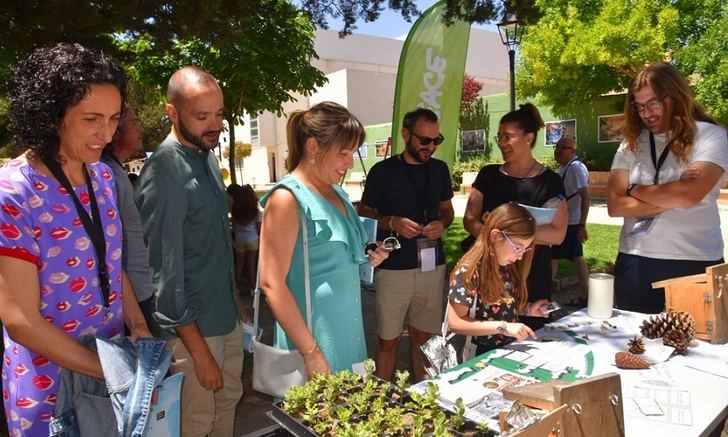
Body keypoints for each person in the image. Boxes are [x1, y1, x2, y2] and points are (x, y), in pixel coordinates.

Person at [0, 43, 150, 437]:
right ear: (52, 117)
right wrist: (112, 370)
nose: (107, 133)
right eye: (91, 119)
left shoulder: (101, 175)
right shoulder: (13, 192)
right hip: (49, 392)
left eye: (114, 118)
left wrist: (138, 327)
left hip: (110, 373)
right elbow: (20, 321)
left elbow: (109, 263)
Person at [135, 66, 243, 436]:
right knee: (196, 421)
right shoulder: (164, 171)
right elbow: (164, 276)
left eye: (218, 114)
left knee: (226, 406)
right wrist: (198, 353)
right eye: (201, 116)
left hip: (224, 318)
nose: (214, 125)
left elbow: (213, 248)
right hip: (192, 332)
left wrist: (236, 308)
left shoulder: (207, 157)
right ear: (171, 112)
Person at [258, 101, 388, 378]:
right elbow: (271, 284)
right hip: (315, 345)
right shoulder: (287, 198)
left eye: (353, 153)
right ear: (314, 147)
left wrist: (369, 254)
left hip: (349, 337)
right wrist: (311, 353)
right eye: (344, 153)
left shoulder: (337, 193)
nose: (350, 163)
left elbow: (336, 256)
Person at [607, 61, 728, 314]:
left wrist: (633, 189)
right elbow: (615, 205)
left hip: (694, 261)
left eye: (653, 103)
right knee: (635, 345)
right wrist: (669, 197)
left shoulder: (709, 135)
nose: (646, 113)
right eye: (639, 106)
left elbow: (687, 196)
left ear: (674, 96)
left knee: (700, 350)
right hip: (636, 260)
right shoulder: (631, 144)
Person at [358, 107, 455, 382]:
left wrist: (443, 224)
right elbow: (363, 215)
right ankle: (383, 403)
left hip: (431, 267)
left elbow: (447, 211)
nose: (431, 147)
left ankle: (421, 399)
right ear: (405, 134)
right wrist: (392, 222)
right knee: (388, 341)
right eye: (424, 140)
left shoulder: (439, 170)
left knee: (423, 339)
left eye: (437, 140)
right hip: (393, 269)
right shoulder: (383, 171)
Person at [462, 103, 567, 331]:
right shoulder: (488, 175)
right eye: (499, 137)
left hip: (533, 274)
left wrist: (511, 233)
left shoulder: (551, 182)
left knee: (533, 337)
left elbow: (558, 233)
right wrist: (494, 239)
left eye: (508, 137)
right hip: (491, 271)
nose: (501, 143)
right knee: (490, 334)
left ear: (528, 138)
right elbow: (470, 218)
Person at [448, 203, 549, 355]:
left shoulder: (505, 265)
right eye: (517, 247)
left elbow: (499, 306)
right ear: (495, 236)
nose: (521, 256)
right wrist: (504, 327)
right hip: (477, 353)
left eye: (525, 249)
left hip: (506, 348)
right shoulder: (468, 271)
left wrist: (528, 309)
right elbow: (455, 322)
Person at [101, 104, 156, 330]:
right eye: (134, 123)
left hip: (138, 287)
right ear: (115, 132)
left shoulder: (115, 171)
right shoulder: (107, 175)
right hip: (129, 293)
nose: (140, 128)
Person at [550, 136, 590, 307]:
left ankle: (543, 295)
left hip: (571, 223)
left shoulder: (575, 168)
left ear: (573, 151)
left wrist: (582, 225)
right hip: (567, 222)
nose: (558, 150)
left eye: (562, 147)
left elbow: (585, 196)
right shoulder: (565, 168)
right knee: (576, 258)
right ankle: (587, 296)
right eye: (557, 146)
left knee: (553, 257)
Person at [226, 183, 262, 292]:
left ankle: (236, 288)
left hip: (239, 241)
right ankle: (253, 289)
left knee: (239, 265)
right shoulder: (256, 213)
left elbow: (235, 227)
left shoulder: (235, 212)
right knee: (251, 265)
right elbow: (259, 229)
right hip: (253, 240)